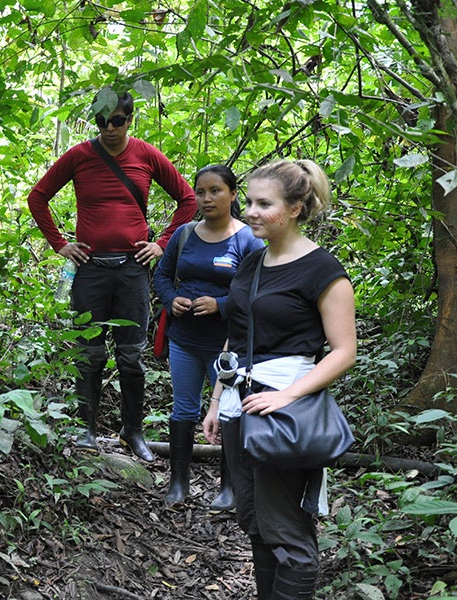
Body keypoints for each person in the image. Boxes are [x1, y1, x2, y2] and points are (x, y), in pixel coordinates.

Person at [202, 159, 356, 598]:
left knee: (287, 531)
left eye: (263, 203)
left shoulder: (322, 270)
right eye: (249, 201)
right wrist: (215, 403)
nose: (249, 211)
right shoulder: (252, 263)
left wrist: (286, 396)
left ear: (295, 209)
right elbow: (237, 335)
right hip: (239, 402)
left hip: (282, 407)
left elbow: (344, 351)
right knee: (254, 521)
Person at [28, 91, 197, 462]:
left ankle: (132, 432)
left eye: (117, 121)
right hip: (90, 270)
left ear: (129, 119)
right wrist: (60, 244)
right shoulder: (79, 155)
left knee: (131, 354)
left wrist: (163, 243)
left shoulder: (146, 154)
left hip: (132, 270)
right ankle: (87, 430)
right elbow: (38, 197)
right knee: (89, 352)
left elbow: (188, 199)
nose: (109, 129)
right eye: (102, 121)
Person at [152, 164, 264, 506]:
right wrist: (173, 302)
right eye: (200, 192)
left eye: (215, 191)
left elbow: (259, 291)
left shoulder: (248, 239)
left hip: (227, 345)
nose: (206, 198)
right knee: (183, 408)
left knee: (230, 411)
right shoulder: (184, 234)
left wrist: (221, 304)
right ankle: (178, 484)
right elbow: (161, 276)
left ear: (232, 194)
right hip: (184, 338)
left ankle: (229, 488)